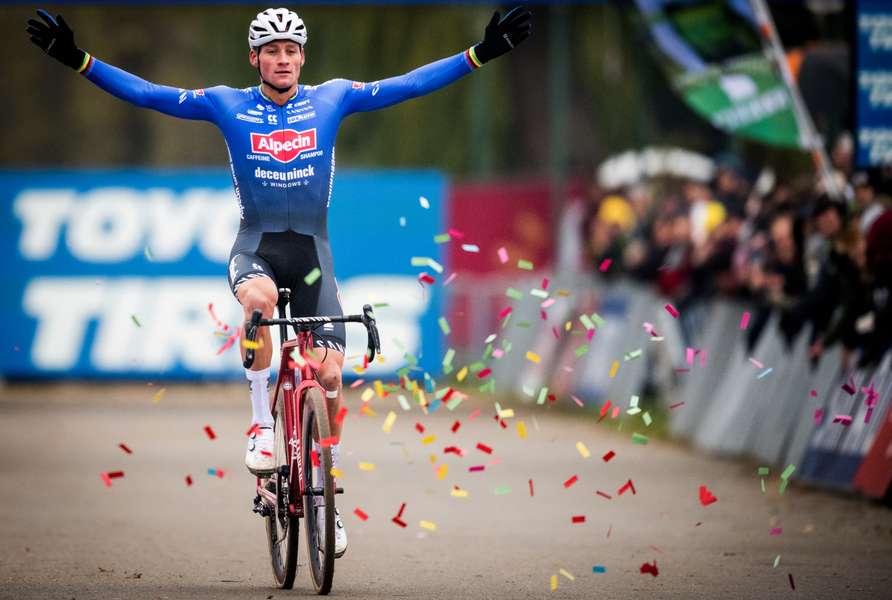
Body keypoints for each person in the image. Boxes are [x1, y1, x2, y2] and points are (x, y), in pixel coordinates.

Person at [26, 6, 532, 558]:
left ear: (302, 57)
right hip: (257, 248)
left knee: (332, 374)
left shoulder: (334, 97)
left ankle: (323, 493)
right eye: (272, 50)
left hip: (313, 256)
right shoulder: (227, 103)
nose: (283, 58)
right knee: (261, 301)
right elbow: (150, 94)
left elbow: (408, 86)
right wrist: (79, 60)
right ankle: (259, 426)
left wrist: (479, 54)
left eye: (292, 50)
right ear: (256, 59)